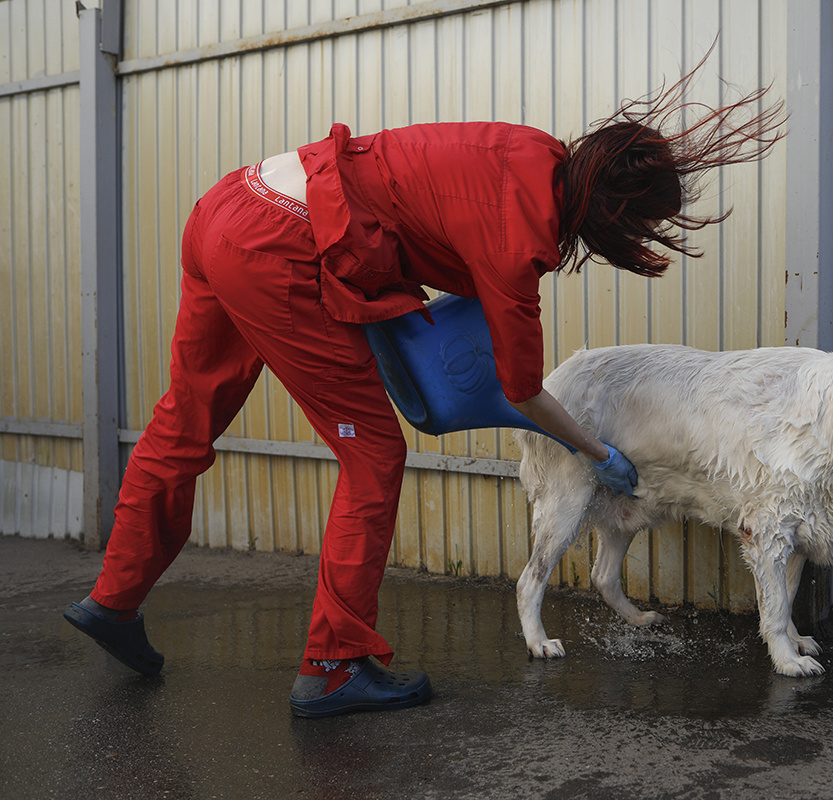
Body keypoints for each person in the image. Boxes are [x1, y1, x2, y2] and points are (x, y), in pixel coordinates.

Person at [63, 63, 786, 718]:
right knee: (374, 457)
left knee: (182, 423)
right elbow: (522, 390)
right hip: (277, 244)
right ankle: (333, 666)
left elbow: (412, 214)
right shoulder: (520, 240)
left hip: (230, 203)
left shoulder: (532, 151)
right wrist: (597, 451)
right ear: (610, 211)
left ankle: (114, 600)